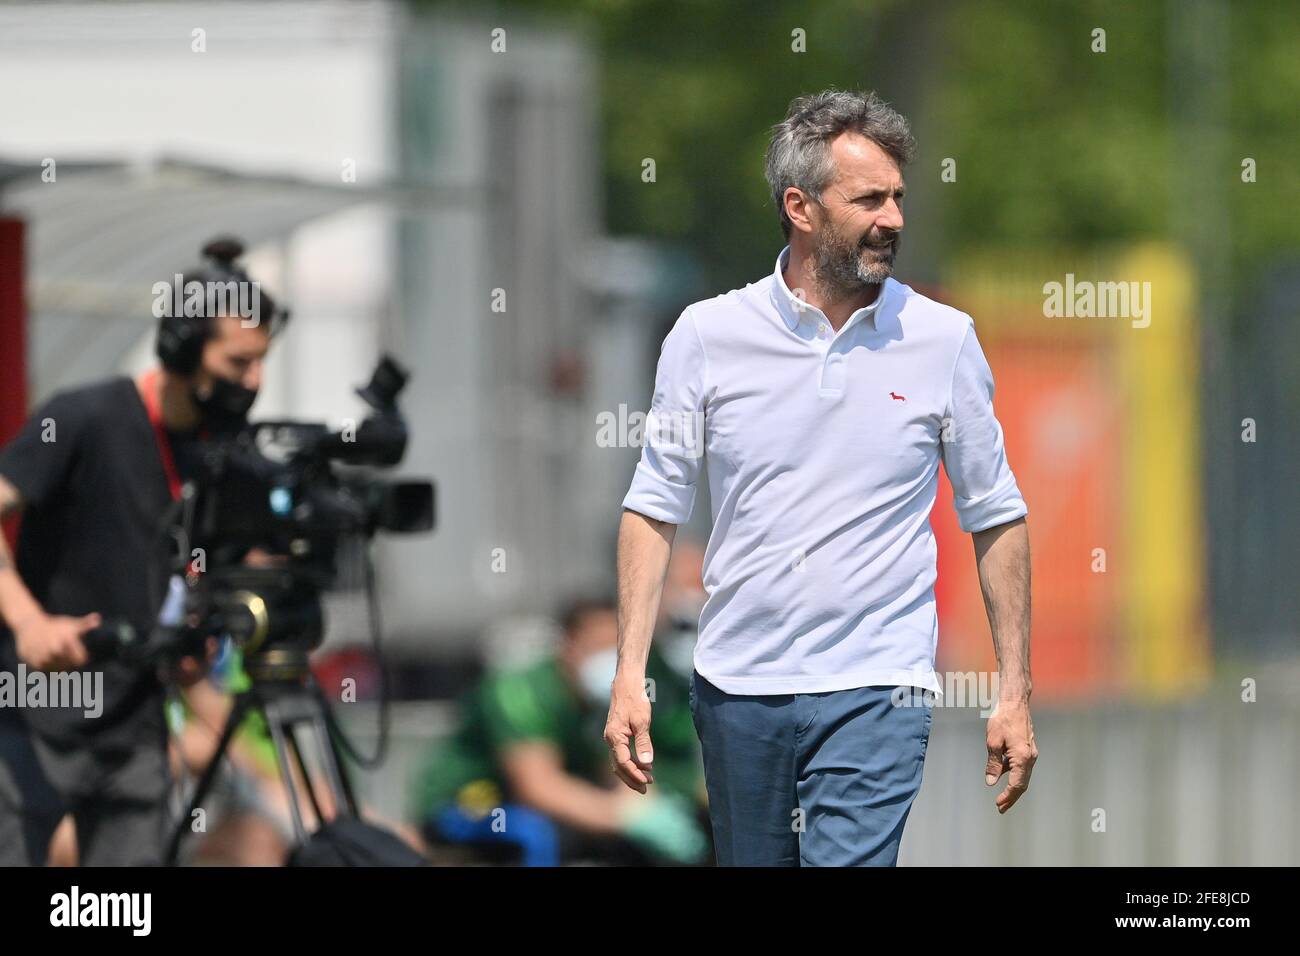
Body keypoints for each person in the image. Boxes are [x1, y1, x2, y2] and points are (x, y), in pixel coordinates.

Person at [607, 89, 1039, 867]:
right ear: (800, 208)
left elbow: (995, 512)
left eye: (899, 196)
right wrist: (628, 674)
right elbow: (653, 506)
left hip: (881, 683)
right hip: (738, 685)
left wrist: (1014, 689)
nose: (894, 218)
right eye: (869, 198)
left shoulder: (943, 339)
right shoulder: (707, 336)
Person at [0, 237, 284, 865]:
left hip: (136, 725)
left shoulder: (221, 456)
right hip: (33, 712)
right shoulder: (84, 417)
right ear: (183, 350)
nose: (255, 382)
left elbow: (198, 563)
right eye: (239, 363)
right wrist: (28, 622)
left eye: (262, 362)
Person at [414, 597, 708, 866]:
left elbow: (614, 768)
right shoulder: (520, 691)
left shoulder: (604, 698)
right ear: (568, 644)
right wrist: (622, 816)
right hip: (470, 803)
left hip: (545, 802)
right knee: (534, 834)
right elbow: (538, 787)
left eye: (616, 649)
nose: (608, 659)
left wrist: (647, 805)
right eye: (597, 646)